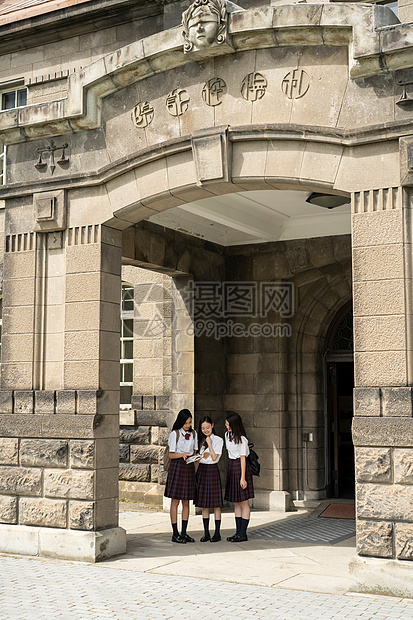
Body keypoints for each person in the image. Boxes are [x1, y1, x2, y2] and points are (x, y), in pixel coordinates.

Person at [164, 409, 198, 544]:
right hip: (177, 467)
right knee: (175, 501)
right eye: (186, 423)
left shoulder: (194, 434)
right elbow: (171, 454)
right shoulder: (175, 434)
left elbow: (194, 452)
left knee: (186, 501)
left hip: (189, 467)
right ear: (180, 421)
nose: (188, 425)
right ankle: (175, 533)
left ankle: (184, 532)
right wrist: (182, 454)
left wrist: (195, 459)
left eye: (189, 423)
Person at [224, 411, 254, 542]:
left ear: (235, 425)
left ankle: (243, 533)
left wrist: (243, 478)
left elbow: (243, 459)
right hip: (232, 466)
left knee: (244, 502)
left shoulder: (242, 439)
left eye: (229, 425)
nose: (227, 427)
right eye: (226, 425)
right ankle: (237, 533)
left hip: (241, 468)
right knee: (236, 502)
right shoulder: (227, 435)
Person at [194, 416, 223, 542]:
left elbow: (215, 457)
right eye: (203, 428)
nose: (205, 430)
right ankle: (206, 533)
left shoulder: (218, 440)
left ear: (212, 425)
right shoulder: (200, 441)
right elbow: (198, 458)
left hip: (212, 470)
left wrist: (210, 443)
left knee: (216, 505)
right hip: (202, 470)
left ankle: (217, 533)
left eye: (207, 427)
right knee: (204, 505)